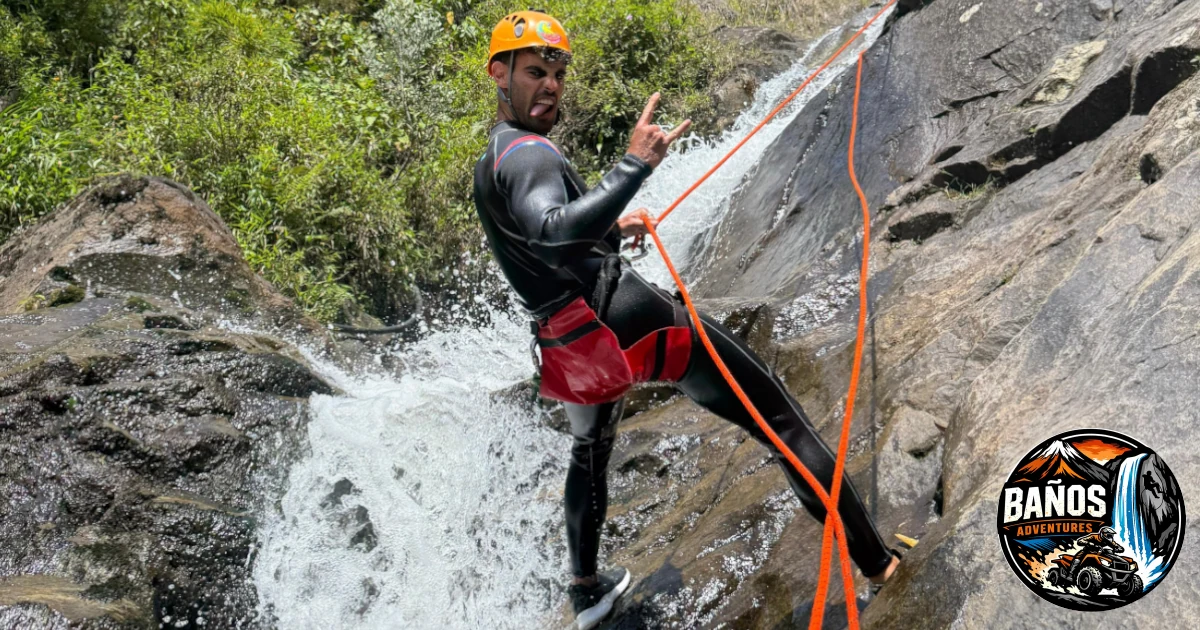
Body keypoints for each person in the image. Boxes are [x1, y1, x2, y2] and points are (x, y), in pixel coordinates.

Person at [471, 10, 900, 629]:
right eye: (535, 71)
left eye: (558, 74)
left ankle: (587, 590)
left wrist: (613, 227)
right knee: (778, 418)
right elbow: (553, 232)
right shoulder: (531, 154)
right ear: (499, 73)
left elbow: (539, 246)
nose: (550, 86)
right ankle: (878, 564)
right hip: (631, 321)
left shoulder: (495, 156)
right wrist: (633, 166)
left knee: (589, 450)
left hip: (571, 347)